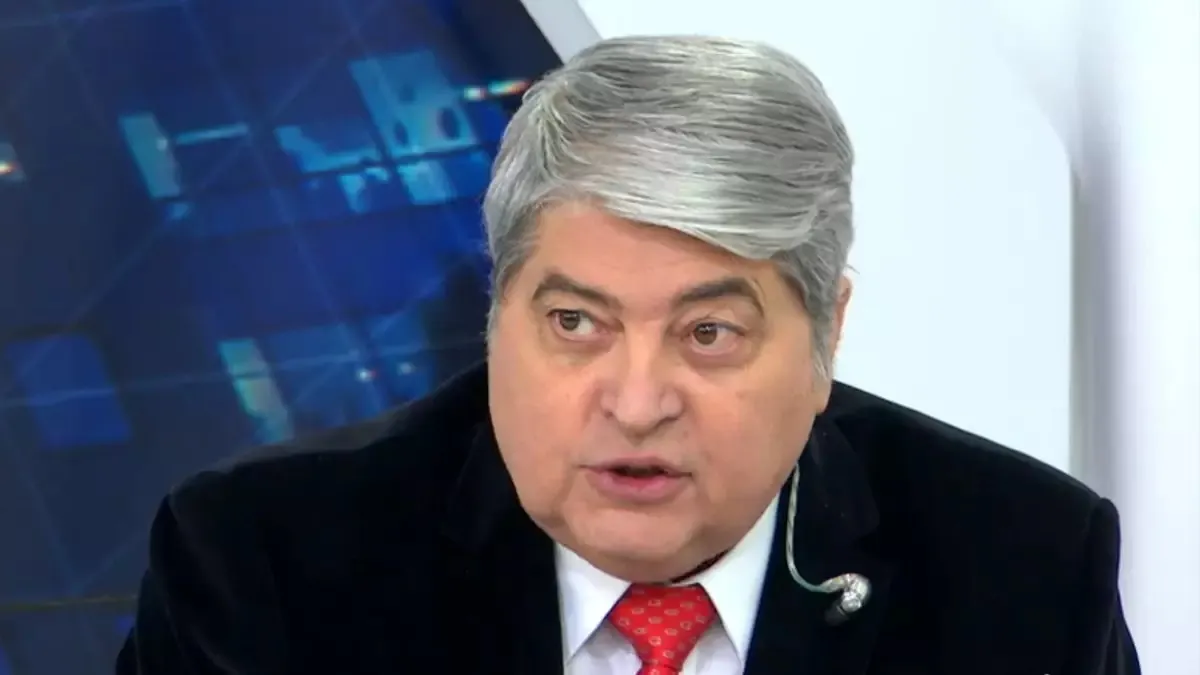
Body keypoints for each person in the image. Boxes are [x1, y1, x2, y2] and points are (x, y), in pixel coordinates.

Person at [116, 35, 1140, 675]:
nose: (638, 402)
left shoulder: (1024, 568)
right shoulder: (264, 565)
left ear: (827, 334)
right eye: (576, 323)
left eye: (708, 333)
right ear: (497, 312)